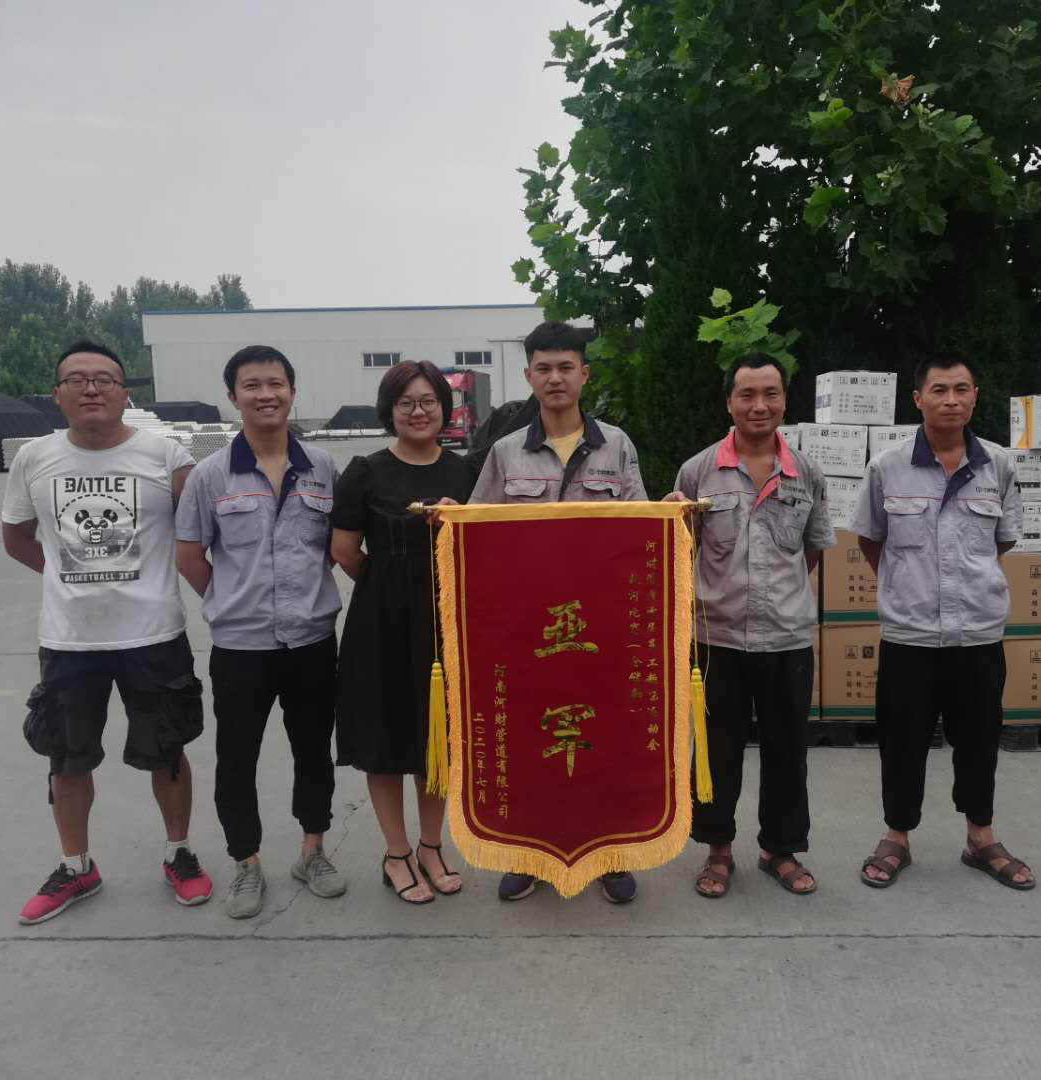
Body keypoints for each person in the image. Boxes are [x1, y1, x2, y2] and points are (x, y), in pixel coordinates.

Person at [2, 341, 212, 925]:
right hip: (70, 640)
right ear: (57, 394)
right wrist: (68, 576)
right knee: (66, 757)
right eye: (77, 379)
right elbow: (16, 537)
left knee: (167, 751)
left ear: (124, 393)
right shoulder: (35, 459)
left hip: (153, 635)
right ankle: (76, 867)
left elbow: (200, 529)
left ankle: (178, 853)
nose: (91, 388)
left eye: (104, 379)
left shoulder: (165, 455)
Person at [470, 320, 648, 903]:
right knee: (531, 740)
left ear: (584, 374)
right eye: (543, 368)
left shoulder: (616, 446)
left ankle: (610, 853)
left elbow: (641, 527)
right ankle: (529, 854)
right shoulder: (504, 452)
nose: (555, 378)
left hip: (599, 629)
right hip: (531, 631)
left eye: (566, 367)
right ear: (528, 376)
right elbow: (479, 532)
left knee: (604, 738)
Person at [849, 357, 1034, 891]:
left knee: (979, 740)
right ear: (918, 399)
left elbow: (1003, 539)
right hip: (909, 634)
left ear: (975, 396)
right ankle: (896, 836)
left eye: (961, 389)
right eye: (939, 390)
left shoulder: (998, 465)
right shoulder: (887, 467)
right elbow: (870, 538)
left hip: (977, 632)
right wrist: (908, 586)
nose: (950, 400)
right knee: (901, 740)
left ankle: (981, 837)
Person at [174, 345, 345, 919]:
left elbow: (336, 545)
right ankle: (245, 863)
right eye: (252, 385)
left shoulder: (322, 466)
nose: (265, 394)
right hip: (240, 648)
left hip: (312, 642)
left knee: (313, 751)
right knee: (237, 757)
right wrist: (230, 600)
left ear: (292, 392)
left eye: (275, 384)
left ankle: (312, 851)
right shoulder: (210, 475)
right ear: (233, 397)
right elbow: (189, 556)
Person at [667, 354, 836, 898]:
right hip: (716, 638)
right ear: (729, 403)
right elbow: (681, 550)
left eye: (770, 394)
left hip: (787, 637)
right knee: (716, 750)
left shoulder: (806, 472)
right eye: (747, 395)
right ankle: (717, 849)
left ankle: (779, 849)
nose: (759, 405)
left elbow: (812, 549)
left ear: (784, 400)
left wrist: (778, 596)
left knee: (788, 750)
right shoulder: (697, 472)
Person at [331, 360, 474, 904]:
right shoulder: (365, 472)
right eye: (406, 402)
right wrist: (392, 584)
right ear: (389, 411)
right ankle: (396, 853)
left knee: (436, 736)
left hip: (447, 624)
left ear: (444, 407)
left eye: (428, 401)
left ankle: (431, 846)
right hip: (381, 623)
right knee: (385, 738)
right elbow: (345, 551)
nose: (418, 411)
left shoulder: (465, 473)